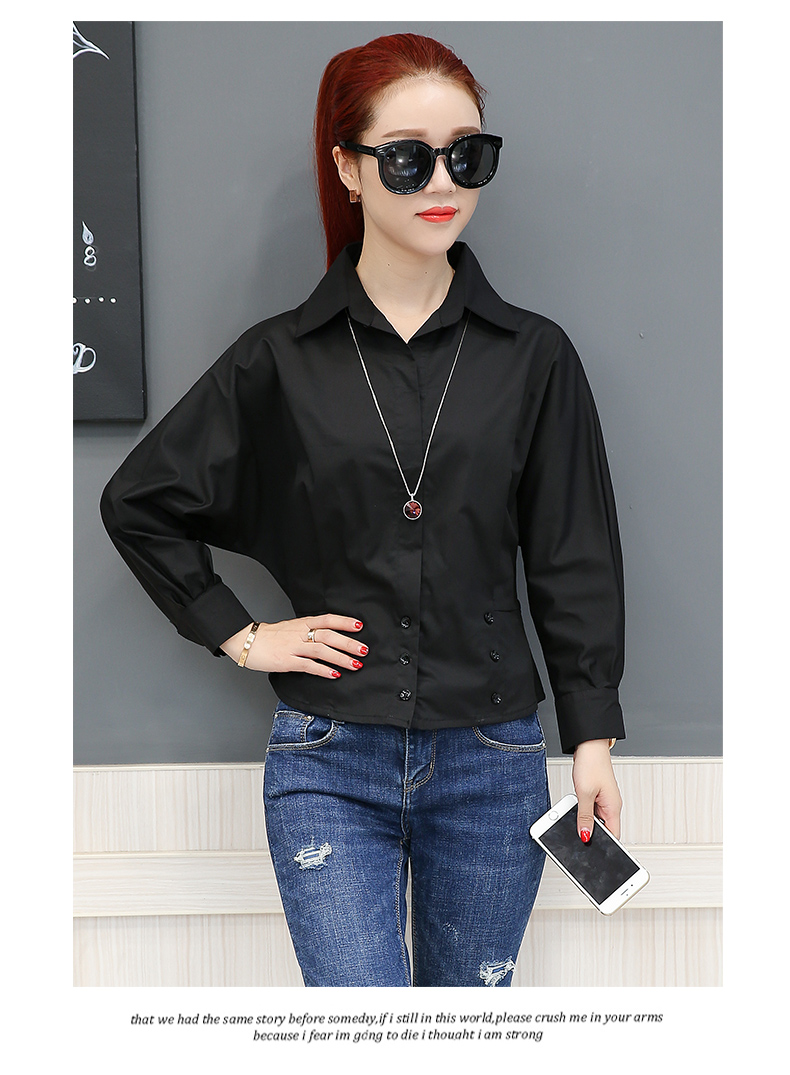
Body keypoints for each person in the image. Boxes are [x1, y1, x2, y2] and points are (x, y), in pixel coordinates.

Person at [100, 32, 625, 988]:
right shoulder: (278, 359)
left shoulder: (535, 357)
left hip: (493, 758)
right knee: (362, 1036)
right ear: (348, 167)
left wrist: (591, 738)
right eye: (408, 157)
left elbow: (573, 551)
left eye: (467, 154)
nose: (443, 181)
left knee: (466, 1041)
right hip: (329, 757)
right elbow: (140, 502)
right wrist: (242, 636)